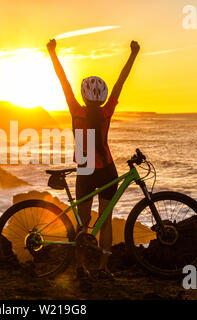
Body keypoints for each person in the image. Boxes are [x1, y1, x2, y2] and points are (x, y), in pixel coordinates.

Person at [47, 38, 140, 279]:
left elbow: (63, 81)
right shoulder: (107, 112)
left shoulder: (76, 111)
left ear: (84, 96)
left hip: (86, 172)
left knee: (83, 222)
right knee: (105, 221)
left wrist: (52, 53)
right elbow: (121, 81)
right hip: (108, 169)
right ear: (101, 97)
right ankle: (103, 269)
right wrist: (133, 55)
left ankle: (80, 267)